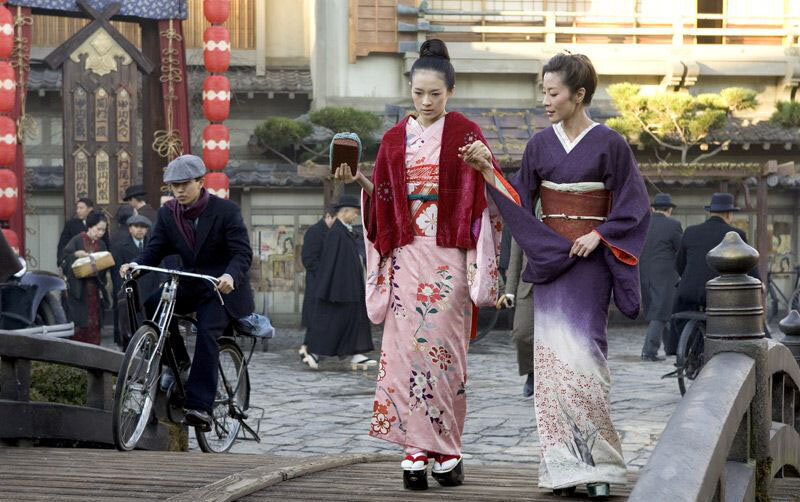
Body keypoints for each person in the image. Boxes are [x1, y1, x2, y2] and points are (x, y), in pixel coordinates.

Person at [334, 39, 513, 490]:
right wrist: (359, 178)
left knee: (444, 352)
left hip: (449, 256)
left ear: (451, 91)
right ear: (410, 90)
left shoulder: (467, 134)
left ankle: (447, 449)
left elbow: (491, 197)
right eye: (419, 93)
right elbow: (385, 201)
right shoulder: (394, 139)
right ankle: (415, 449)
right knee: (403, 354)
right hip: (404, 256)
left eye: (435, 93)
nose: (427, 102)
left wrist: (484, 166)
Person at [472, 53, 650, 497]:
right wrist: (487, 171)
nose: (545, 100)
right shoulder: (538, 145)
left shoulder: (610, 143)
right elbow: (518, 198)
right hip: (552, 261)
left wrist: (601, 234)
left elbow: (633, 203)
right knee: (552, 367)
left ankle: (600, 468)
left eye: (553, 93)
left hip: (590, 264)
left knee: (586, 362)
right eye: (544, 92)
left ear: (579, 95)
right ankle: (563, 468)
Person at [120, 154, 254, 431]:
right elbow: (155, 249)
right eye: (174, 186)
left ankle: (199, 406)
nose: (179, 191)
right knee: (153, 305)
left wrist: (230, 275)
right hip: (191, 282)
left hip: (220, 287)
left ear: (200, 182)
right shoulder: (169, 213)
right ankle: (179, 363)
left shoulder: (225, 211)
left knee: (207, 332)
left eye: (184, 184)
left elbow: (241, 253)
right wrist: (136, 266)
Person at [671, 193, 759, 351]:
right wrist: (759, 282)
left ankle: (675, 348)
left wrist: (690, 279)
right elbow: (748, 266)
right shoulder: (736, 235)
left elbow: (679, 264)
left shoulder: (690, 232)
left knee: (678, 312)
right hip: (718, 295)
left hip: (689, 293)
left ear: (710, 212)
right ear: (729, 214)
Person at [302, 195, 375, 370]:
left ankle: (356, 354)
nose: (356, 216)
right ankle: (315, 353)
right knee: (333, 322)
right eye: (354, 213)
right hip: (340, 288)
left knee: (353, 320)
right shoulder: (336, 233)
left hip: (349, 287)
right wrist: (331, 288)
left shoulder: (345, 231)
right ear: (345, 212)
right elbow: (330, 262)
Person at [639, 193, 682, 360]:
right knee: (660, 312)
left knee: (660, 309)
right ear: (669, 210)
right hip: (665, 274)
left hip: (644, 272)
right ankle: (649, 351)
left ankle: (671, 348)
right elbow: (681, 249)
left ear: (652, 209)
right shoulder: (673, 225)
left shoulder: (642, 224)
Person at [61, 211, 112, 345]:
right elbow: (64, 260)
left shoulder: (102, 244)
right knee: (80, 324)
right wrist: (76, 255)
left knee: (94, 322)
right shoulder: (77, 240)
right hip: (79, 288)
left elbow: (104, 268)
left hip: (95, 288)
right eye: (98, 229)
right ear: (90, 226)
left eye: (103, 230)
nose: (100, 233)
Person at [111, 214, 158, 348]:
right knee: (130, 321)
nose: (140, 230)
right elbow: (116, 272)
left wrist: (161, 282)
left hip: (150, 289)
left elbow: (160, 264)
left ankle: (149, 346)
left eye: (143, 227)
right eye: (136, 226)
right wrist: (121, 290)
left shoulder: (152, 245)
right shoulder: (120, 246)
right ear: (130, 229)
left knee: (149, 320)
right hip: (131, 289)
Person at [496, 238, 534, 396]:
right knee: (522, 334)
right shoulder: (523, 222)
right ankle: (531, 371)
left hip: (557, 284)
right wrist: (509, 291)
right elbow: (515, 259)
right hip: (528, 287)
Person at [298, 206, 336, 360]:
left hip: (325, 282)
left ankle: (309, 348)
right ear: (328, 216)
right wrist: (325, 273)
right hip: (317, 282)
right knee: (316, 316)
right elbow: (308, 259)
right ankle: (309, 349)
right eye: (335, 219)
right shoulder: (315, 231)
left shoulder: (330, 232)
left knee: (320, 317)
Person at [57, 198, 109, 266]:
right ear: (90, 228)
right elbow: (63, 246)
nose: (78, 211)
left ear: (90, 209)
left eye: (81, 208)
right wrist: (62, 261)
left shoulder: (100, 224)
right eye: (77, 208)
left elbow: (106, 244)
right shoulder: (72, 226)